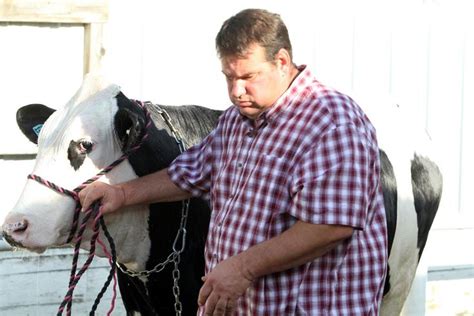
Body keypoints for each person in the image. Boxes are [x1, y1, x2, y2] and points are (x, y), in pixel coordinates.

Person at [79, 8, 388, 315]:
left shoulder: (332, 123)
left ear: (281, 62)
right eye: (229, 77)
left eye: (248, 77)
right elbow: (190, 173)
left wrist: (243, 268)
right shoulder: (237, 121)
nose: (236, 91)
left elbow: (330, 226)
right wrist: (121, 194)